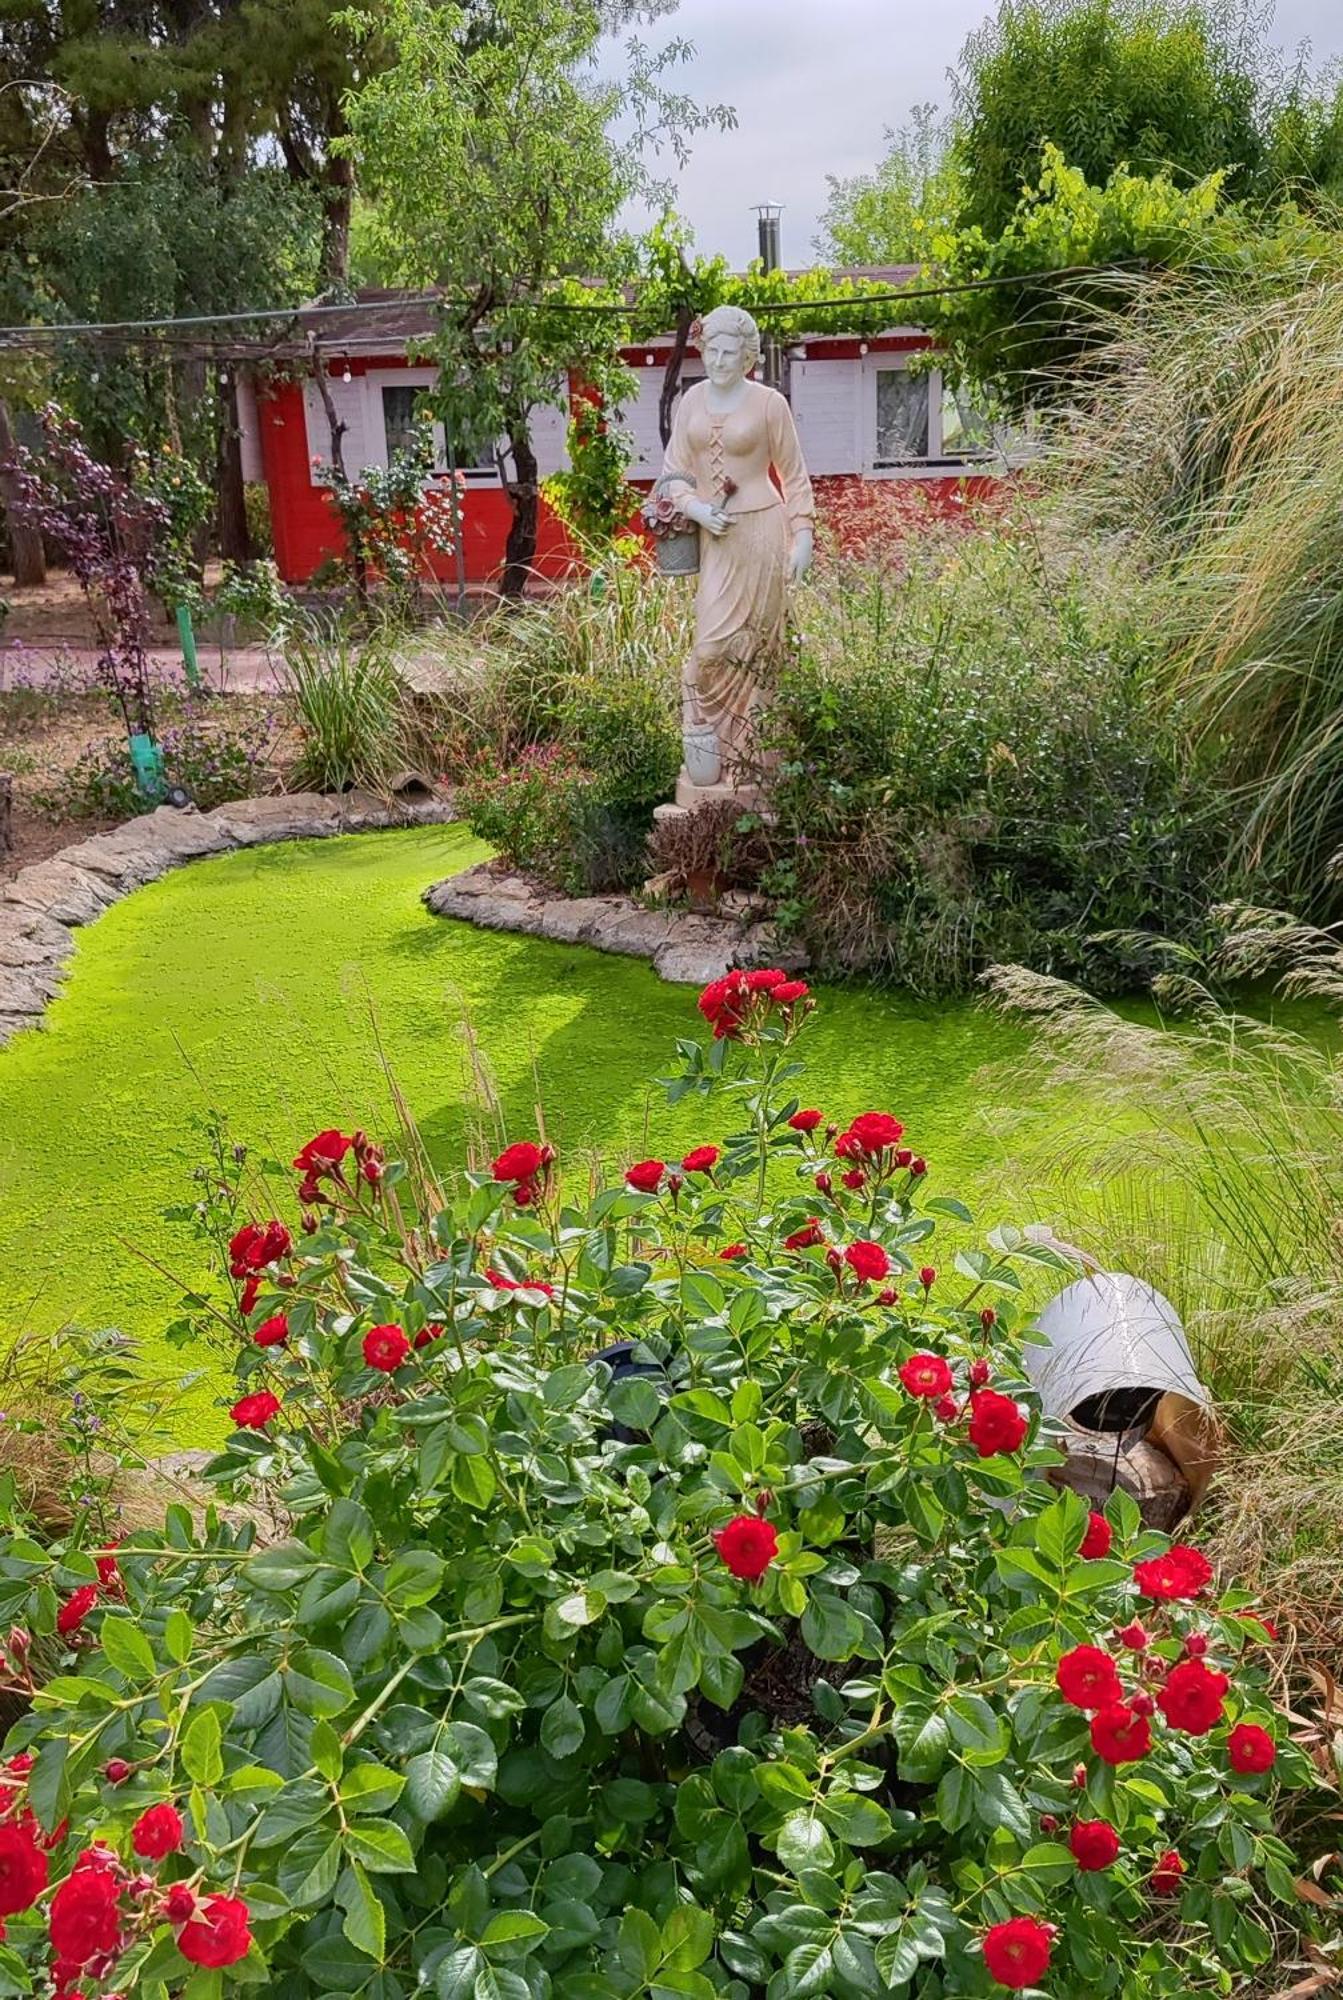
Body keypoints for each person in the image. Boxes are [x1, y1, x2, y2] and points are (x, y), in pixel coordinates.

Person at [660, 305, 814, 803]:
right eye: (713, 350)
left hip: (762, 535)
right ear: (702, 349)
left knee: (760, 651)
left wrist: (804, 535)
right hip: (717, 540)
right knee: (708, 651)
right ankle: (710, 761)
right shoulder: (690, 403)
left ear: (748, 357)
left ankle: (756, 767)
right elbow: (674, 475)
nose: (720, 360)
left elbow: (793, 475)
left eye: (731, 353)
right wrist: (697, 510)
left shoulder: (769, 404)